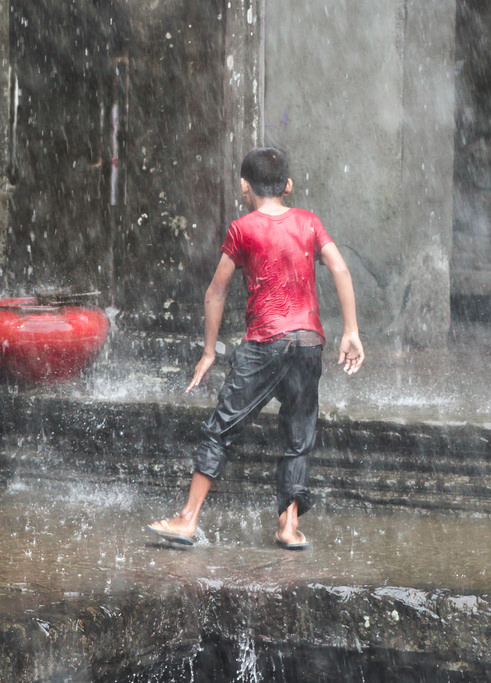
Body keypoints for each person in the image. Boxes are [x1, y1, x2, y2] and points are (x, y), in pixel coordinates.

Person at [147, 147, 364, 550]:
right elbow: (340, 268)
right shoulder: (309, 222)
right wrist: (350, 330)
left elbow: (217, 291)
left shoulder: (242, 229)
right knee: (298, 434)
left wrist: (209, 351)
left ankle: (188, 518)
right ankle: (288, 526)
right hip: (307, 342)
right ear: (289, 186)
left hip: (264, 343)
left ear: (245, 187)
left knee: (221, 428)